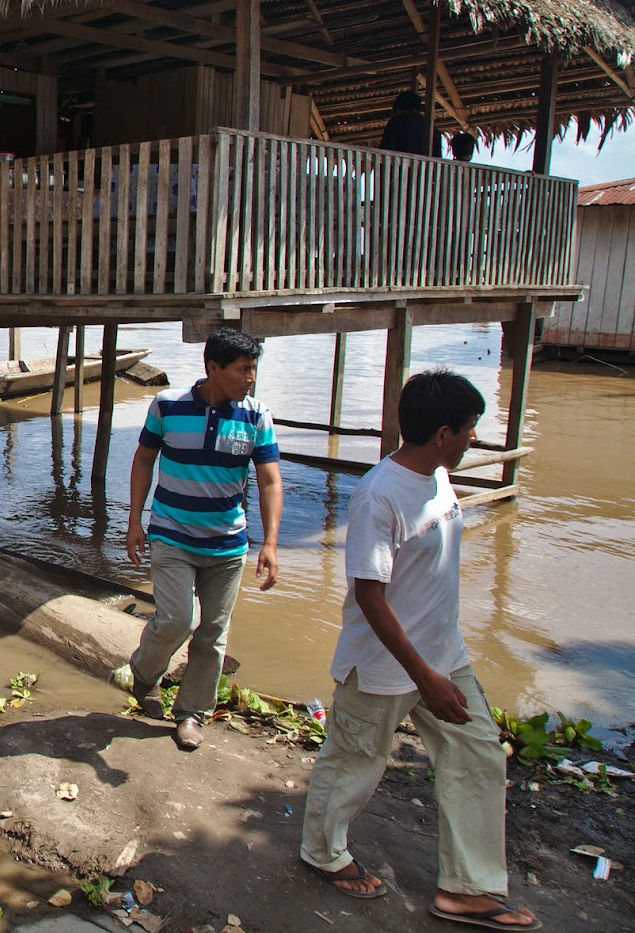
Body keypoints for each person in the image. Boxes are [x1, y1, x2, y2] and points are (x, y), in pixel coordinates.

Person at [300, 369, 539, 930]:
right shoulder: (379, 496)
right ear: (442, 432)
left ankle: (469, 889)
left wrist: (440, 669)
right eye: (470, 429)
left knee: (478, 756)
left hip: (445, 656)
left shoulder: (437, 476)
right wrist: (424, 679)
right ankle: (322, 851)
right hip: (384, 665)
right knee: (354, 763)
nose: (474, 439)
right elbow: (371, 596)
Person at [123, 327, 282, 751]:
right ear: (213, 367)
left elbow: (269, 481)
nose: (250, 377)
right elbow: (143, 460)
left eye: (253, 369)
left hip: (228, 544)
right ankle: (143, 671)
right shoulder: (167, 406)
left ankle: (191, 713)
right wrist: (135, 521)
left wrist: (269, 543)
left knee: (213, 632)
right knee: (177, 619)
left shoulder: (255, 416)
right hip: (172, 535)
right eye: (243, 369)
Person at [381, 90, 443, 157]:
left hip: (399, 166)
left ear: (398, 108)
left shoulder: (396, 122)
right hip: (425, 167)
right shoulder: (433, 129)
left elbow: (384, 151)